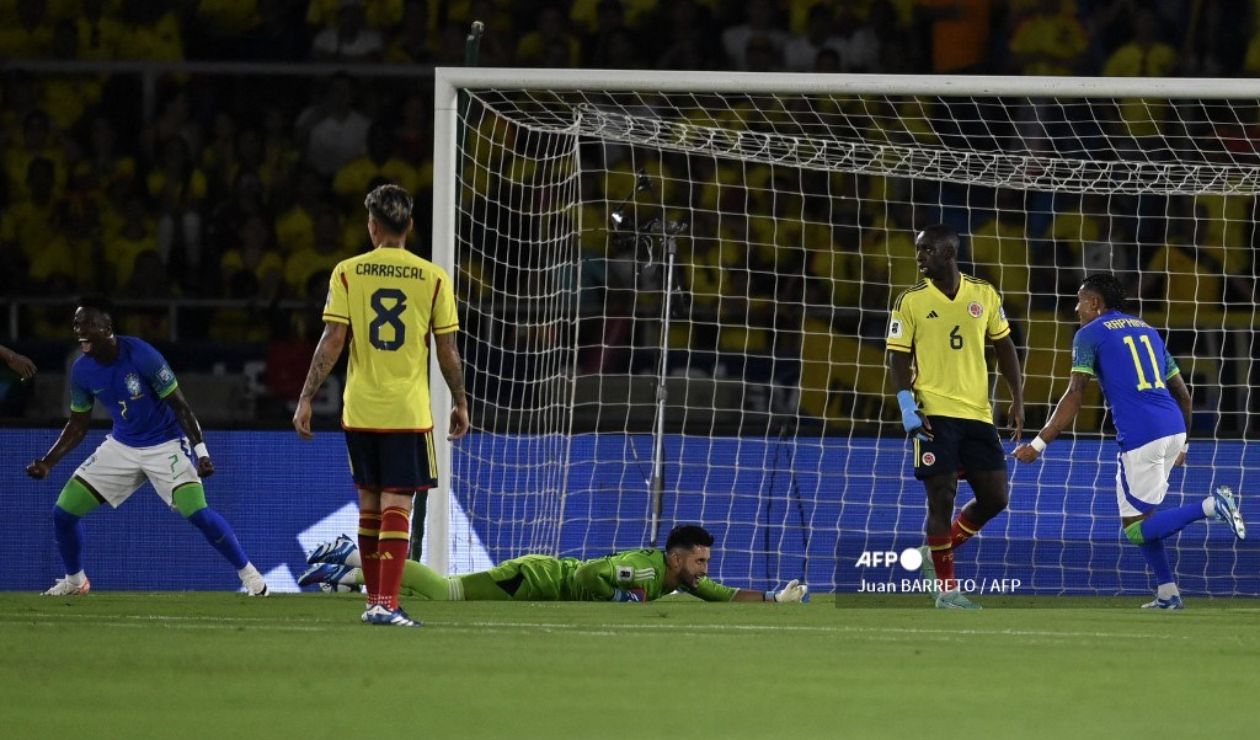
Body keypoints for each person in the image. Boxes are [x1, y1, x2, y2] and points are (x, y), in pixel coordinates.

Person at [292, 183, 470, 628]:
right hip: (406, 410)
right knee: (398, 506)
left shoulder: (347, 272)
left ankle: (375, 600)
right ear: (410, 226)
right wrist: (461, 402)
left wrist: (307, 396)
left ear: (372, 226)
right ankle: (385, 604)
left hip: (360, 408)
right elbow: (446, 350)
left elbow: (332, 342)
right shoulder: (433, 277)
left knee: (370, 505)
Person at [1013, 274, 1245, 609]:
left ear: (1095, 303)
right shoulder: (1147, 331)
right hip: (1173, 428)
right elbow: (1184, 394)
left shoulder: (1088, 334)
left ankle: (1211, 506)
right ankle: (1168, 593)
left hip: (1141, 435)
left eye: (1080, 300)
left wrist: (1038, 444)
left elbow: (1075, 395)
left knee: (1135, 529)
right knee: (1144, 516)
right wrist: (1184, 445)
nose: (1076, 307)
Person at [24, 297, 268, 596]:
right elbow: (77, 424)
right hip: (122, 446)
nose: (80, 330)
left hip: (165, 445)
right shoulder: (82, 369)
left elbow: (180, 406)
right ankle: (76, 582)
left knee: (197, 512)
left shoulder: (142, 355)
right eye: (76, 324)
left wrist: (202, 452)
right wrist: (48, 462)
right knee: (63, 512)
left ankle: (251, 576)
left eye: (88, 323)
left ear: (107, 327)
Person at [886, 224, 1024, 610]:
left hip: (978, 414)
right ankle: (946, 590)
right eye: (917, 249)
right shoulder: (910, 300)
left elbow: (1004, 345)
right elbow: (897, 356)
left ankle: (936, 550)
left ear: (948, 253)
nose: (919, 257)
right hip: (933, 413)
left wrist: (1016, 396)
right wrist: (907, 406)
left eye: (926, 250)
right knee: (941, 496)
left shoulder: (983, 293)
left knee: (995, 497)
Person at [299, 524, 809, 604]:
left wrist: (772, 599)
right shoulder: (651, 571)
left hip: (542, 581)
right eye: (699, 561)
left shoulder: (679, 576)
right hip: (535, 578)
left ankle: (350, 580)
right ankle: (351, 554)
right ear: (678, 558)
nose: (704, 570)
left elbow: (719, 594)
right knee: (447, 592)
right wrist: (619, 598)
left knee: (447, 593)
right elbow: (591, 576)